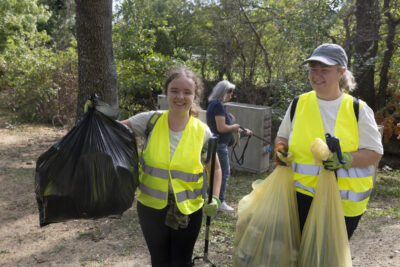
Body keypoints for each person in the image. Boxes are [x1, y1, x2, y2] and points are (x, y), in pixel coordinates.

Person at [274, 43, 383, 239]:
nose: (316, 76)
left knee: (328, 257)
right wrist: (280, 148)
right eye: (313, 70)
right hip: (300, 197)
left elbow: (375, 152)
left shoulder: (358, 109)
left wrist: (346, 159)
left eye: (325, 70)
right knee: (299, 255)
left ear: (341, 72)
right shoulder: (298, 104)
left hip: (342, 204)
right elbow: (282, 136)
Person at [120, 67, 222, 267]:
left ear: (194, 96)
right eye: (174, 90)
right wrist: (96, 115)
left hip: (188, 210)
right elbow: (111, 130)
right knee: (159, 261)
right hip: (151, 208)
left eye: (187, 92)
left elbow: (216, 168)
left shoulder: (202, 131)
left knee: (181, 262)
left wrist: (216, 197)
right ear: (166, 92)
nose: (180, 97)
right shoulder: (149, 120)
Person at [206, 80, 252, 212]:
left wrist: (243, 131)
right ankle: (219, 201)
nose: (231, 96)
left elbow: (224, 126)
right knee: (224, 173)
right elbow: (222, 128)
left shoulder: (215, 105)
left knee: (215, 173)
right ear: (223, 92)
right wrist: (235, 127)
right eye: (230, 93)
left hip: (217, 144)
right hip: (219, 145)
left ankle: (210, 197)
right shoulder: (218, 106)